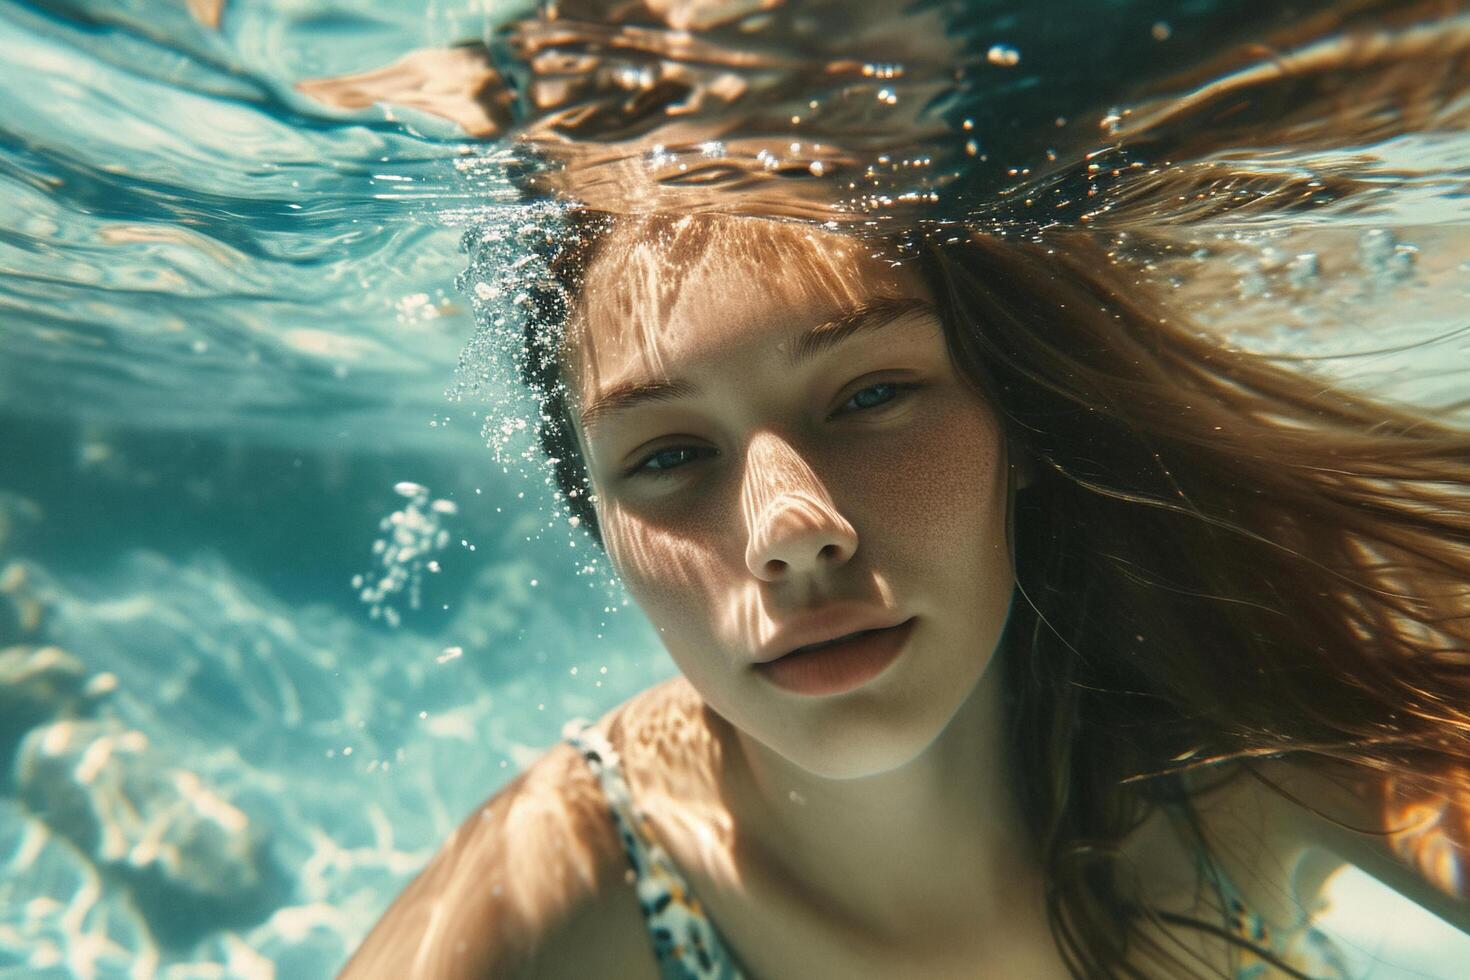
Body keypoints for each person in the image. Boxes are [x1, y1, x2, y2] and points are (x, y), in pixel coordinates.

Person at [332, 5, 1470, 978]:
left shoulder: (1242, 757)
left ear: (1017, 420)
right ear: (604, 526)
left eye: (872, 393)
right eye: (669, 456)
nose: (791, 531)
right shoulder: (564, 879)